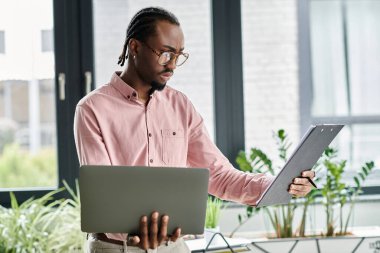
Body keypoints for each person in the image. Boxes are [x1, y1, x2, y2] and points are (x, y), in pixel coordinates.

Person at [74, 6, 315, 253]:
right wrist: (135, 230)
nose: (173, 66)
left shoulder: (181, 105)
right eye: (166, 54)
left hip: (174, 246)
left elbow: (220, 176)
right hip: (117, 247)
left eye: (179, 56)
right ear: (134, 47)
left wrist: (278, 184)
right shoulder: (93, 109)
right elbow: (103, 195)